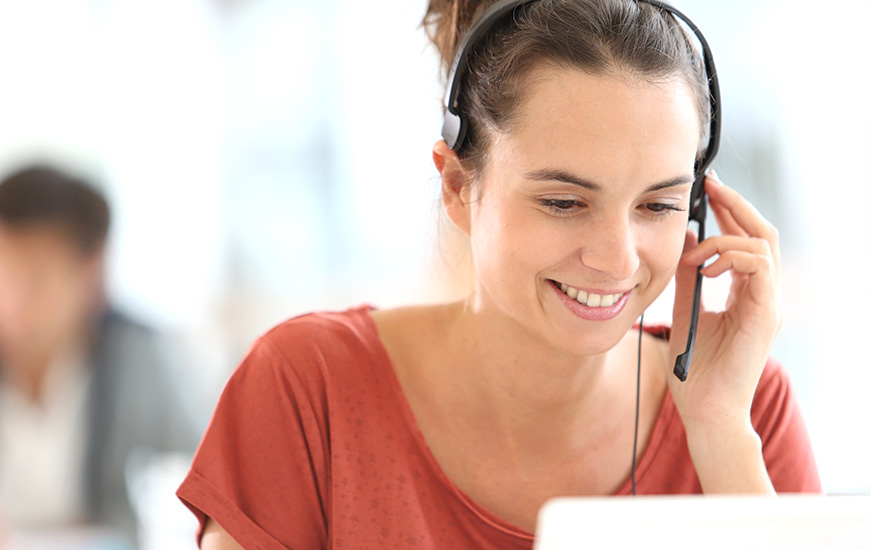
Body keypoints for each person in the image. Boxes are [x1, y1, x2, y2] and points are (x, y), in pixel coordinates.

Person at [177, 0, 820, 548]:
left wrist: (716, 432)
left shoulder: (745, 408)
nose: (619, 259)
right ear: (459, 187)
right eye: (564, 202)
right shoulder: (307, 389)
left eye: (658, 205)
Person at [0, 164, 201, 541]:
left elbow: (203, 475)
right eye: (2, 275)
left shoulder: (140, 357)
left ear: (92, 272)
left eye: (36, 277)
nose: (12, 302)